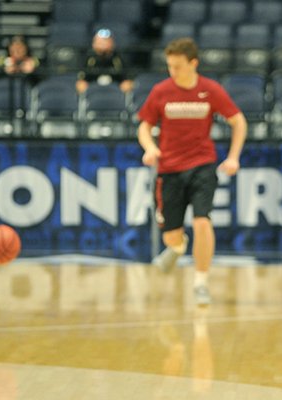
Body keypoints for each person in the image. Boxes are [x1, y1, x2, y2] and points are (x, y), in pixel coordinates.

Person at [137, 37, 247, 305]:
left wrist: (233, 157)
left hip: (202, 165)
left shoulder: (210, 90)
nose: (172, 72)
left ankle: (201, 282)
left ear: (193, 63)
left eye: (177, 66)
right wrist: (150, 147)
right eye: (169, 66)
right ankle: (177, 246)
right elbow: (144, 125)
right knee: (171, 234)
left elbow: (238, 121)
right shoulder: (161, 91)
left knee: (202, 221)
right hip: (169, 170)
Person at [76, 28, 133, 94]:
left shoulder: (118, 59)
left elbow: (127, 80)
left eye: (106, 41)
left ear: (112, 44)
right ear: (94, 44)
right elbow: (81, 81)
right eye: (100, 42)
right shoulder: (88, 59)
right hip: (93, 92)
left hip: (115, 92)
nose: (103, 45)